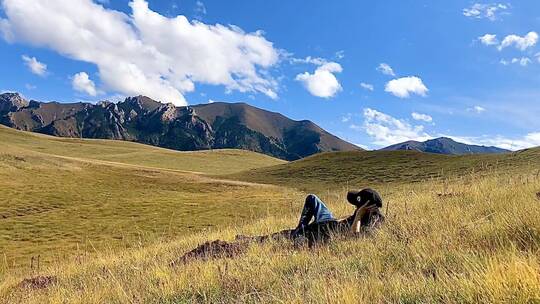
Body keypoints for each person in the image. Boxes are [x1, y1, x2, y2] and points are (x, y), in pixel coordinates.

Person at [237, 188, 385, 247]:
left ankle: (250, 240)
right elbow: (348, 222)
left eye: (357, 205)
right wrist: (347, 218)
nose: (355, 208)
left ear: (366, 206)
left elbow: (355, 239)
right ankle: (299, 231)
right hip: (330, 222)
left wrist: (358, 215)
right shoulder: (365, 213)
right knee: (312, 198)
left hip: (325, 230)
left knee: (284, 235)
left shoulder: (373, 222)